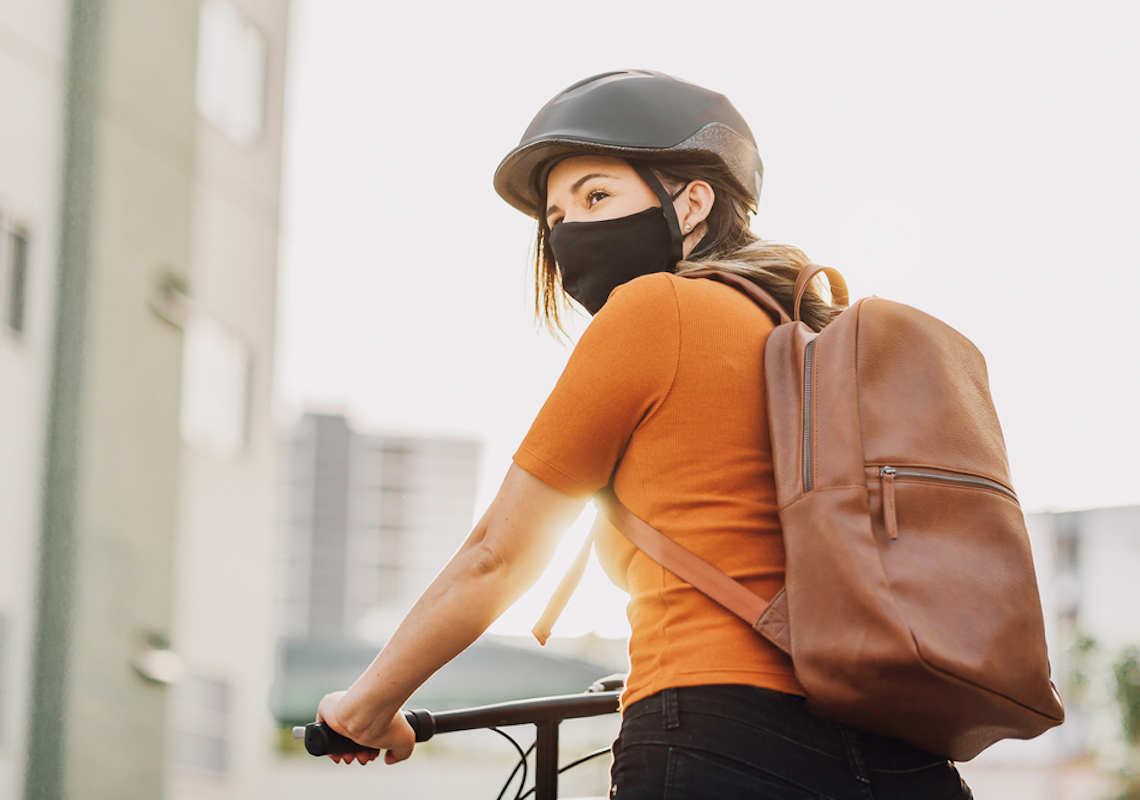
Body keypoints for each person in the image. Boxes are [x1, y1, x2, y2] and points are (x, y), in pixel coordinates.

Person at [316, 70, 973, 799]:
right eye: (556, 217)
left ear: (694, 202)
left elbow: (496, 556)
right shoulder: (820, 341)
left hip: (718, 738)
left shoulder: (655, 310)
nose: (569, 232)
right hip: (900, 753)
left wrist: (367, 705)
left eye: (596, 195)